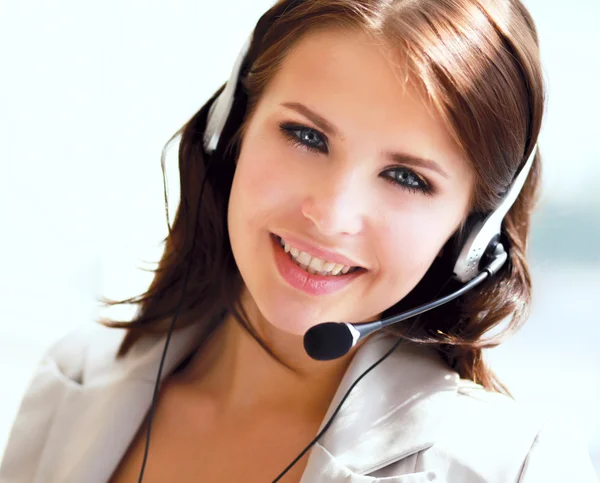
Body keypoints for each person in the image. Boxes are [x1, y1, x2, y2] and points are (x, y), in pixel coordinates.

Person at [1, 0, 597, 482]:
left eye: (407, 177)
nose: (331, 215)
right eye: (306, 136)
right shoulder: (70, 384)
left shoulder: (513, 470)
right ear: (231, 129)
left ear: (472, 234)